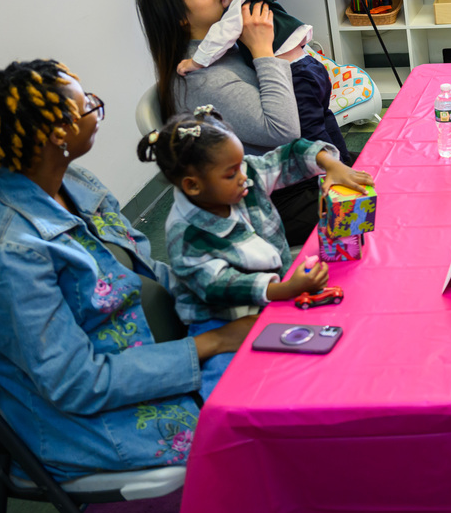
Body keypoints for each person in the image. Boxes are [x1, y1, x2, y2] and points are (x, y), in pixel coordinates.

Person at [0, 60, 255, 479]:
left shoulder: (76, 183)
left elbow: (142, 269)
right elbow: (77, 383)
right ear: (58, 135)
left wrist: (232, 291)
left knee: (285, 356)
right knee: (269, 420)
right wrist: (215, 341)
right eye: (87, 104)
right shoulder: (4, 253)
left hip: (157, 348)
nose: (95, 108)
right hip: (95, 420)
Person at [138, 107, 371, 396]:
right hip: (220, 319)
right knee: (230, 386)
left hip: (274, 295)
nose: (243, 176)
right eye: (231, 173)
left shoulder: (243, 176)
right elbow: (220, 286)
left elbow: (292, 153)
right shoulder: (185, 235)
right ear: (193, 185)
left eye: (241, 165)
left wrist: (330, 164)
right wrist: (284, 289)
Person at [136, 0, 314, 246]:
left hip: (296, 167)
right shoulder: (200, 79)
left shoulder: (227, 46)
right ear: (180, 17)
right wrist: (264, 52)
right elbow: (283, 130)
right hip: (272, 198)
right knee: (384, 189)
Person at [178, 0, 354, 165]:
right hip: (311, 67)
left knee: (310, 134)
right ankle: (345, 162)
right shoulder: (262, 0)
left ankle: (334, 172)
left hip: (296, 76)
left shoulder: (241, 5)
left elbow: (220, 36)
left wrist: (196, 62)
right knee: (323, 118)